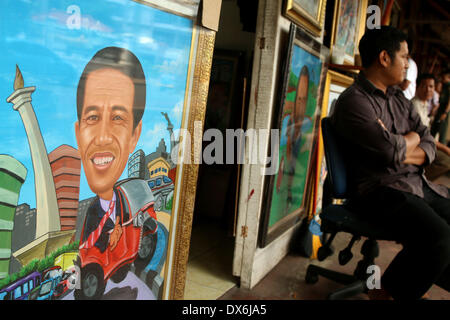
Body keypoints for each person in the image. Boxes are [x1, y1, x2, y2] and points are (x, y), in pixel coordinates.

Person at [330, 26, 450, 300]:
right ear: (384, 58)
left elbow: (428, 142)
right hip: (378, 191)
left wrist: (402, 142)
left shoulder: (401, 101)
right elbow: (387, 150)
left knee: (442, 239)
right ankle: (387, 294)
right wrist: (410, 139)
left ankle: (410, 284)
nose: (408, 64)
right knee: (440, 237)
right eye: (405, 57)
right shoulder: (354, 102)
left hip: (414, 184)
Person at [75, 47, 145, 253]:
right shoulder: (91, 215)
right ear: (79, 135)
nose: (103, 137)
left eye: (117, 118)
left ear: (134, 136)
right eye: (93, 117)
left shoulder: (133, 204)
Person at [411, 73, 450, 180]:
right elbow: (424, 136)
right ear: (417, 87)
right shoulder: (415, 105)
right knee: (446, 160)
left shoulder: (425, 104)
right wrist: (446, 149)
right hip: (417, 145)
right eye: (424, 86)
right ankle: (419, 179)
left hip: (424, 142)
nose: (428, 89)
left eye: (431, 86)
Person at [431, 69, 450, 144]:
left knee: (442, 130)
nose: (442, 78)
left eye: (444, 77)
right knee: (434, 128)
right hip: (441, 109)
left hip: (445, 110)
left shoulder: (448, 86)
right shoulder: (444, 86)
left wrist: (445, 113)